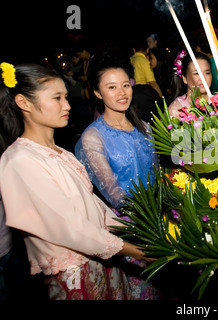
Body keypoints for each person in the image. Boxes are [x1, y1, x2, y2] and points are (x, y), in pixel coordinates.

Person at [0, 62, 152, 300]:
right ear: (23, 102)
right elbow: (69, 227)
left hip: (102, 261)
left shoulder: (62, 153)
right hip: (73, 276)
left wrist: (137, 232)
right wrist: (136, 251)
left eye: (66, 97)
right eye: (57, 98)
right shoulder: (20, 160)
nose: (67, 105)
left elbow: (96, 207)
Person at [74, 52, 162, 299]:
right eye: (112, 87)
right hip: (128, 230)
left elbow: (157, 173)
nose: (122, 92)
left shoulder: (145, 127)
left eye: (125, 85)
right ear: (98, 93)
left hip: (161, 221)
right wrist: (146, 225)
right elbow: (113, 193)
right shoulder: (94, 137)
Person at [168, 50, 212, 120]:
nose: (203, 78)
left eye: (207, 73)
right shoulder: (176, 109)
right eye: (196, 73)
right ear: (185, 78)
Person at [129, 40, 163, 123]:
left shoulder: (130, 59)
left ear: (134, 50)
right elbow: (152, 82)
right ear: (147, 50)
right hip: (144, 95)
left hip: (131, 92)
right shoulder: (144, 61)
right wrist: (162, 99)